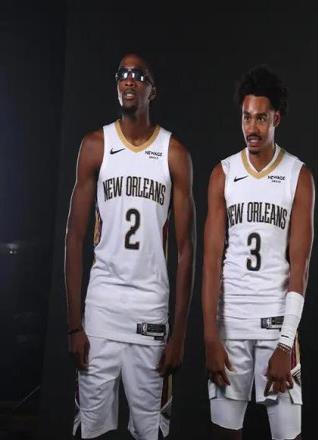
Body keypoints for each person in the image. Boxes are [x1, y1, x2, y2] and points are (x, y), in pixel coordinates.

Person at [65, 53, 195, 439]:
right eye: (122, 73)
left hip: (149, 313)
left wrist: (179, 335)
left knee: (150, 431)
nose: (129, 80)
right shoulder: (95, 145)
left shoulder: (174, 153)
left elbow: (186, 250)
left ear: (152, 90)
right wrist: (74, 325)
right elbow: (74, 236)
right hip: (101, 311)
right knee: (90, 430)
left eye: (139, 75)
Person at [202, 65, 314, 440]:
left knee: (288, 436)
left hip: (275, 324)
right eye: (247, 117)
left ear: (275, 119)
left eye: (261, 118)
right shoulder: (223, 173)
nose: (252, 127)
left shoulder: (298, 175)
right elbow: (211, 262)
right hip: (230, 324)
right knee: (224, 434)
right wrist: (210, 337)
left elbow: (300, 267)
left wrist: (285, 342)